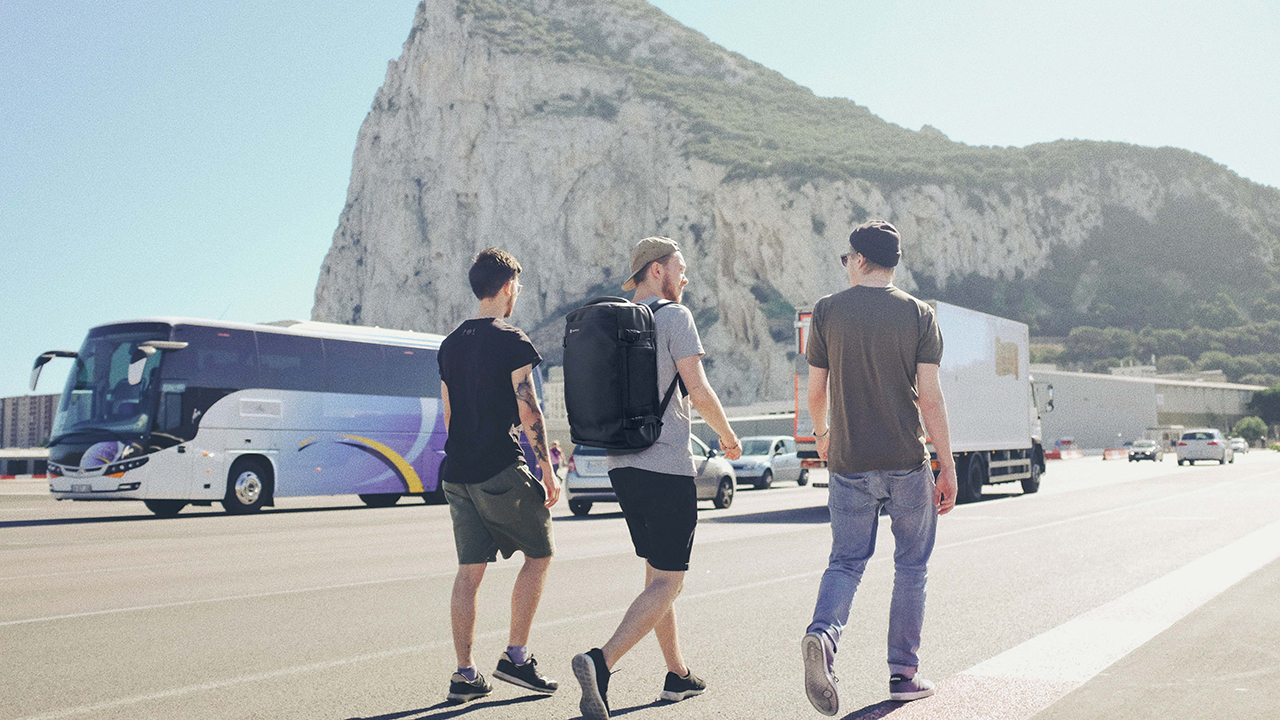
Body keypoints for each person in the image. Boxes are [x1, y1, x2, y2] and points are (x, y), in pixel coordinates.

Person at [572, 237, 743, 720]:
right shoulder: (673, 316)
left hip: (621, 466)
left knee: (656, 575)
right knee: (670, 581)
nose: (685, 277)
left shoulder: (615, 324)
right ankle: (601, 662)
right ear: (656, 271)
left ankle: (677, 674)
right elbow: (698, 389)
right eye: (679, 268)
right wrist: (728, 437)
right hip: (666, 465)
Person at [801, 221, 958, 716]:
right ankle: (903, 675)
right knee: (911, 566)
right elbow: (930, 398)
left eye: (846, 257)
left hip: (849, 462)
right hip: (906, 460)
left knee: (845, 562)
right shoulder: (919, 314)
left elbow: (816, 391)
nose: (846, 265)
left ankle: (824, 635)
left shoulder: (827, 311)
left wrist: (823, 436)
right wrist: (947, 463)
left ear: (861, 259)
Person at [437, 248, 563, 703]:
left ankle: (465, 674)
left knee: (469, 572)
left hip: (457, 472)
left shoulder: (450, 344)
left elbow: (449, 414)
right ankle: (516, 658)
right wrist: (547, 469)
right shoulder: (512, 339)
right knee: (540, 554)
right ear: (509, 286)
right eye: (518, 287)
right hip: (499, 468)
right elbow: (529, 407)